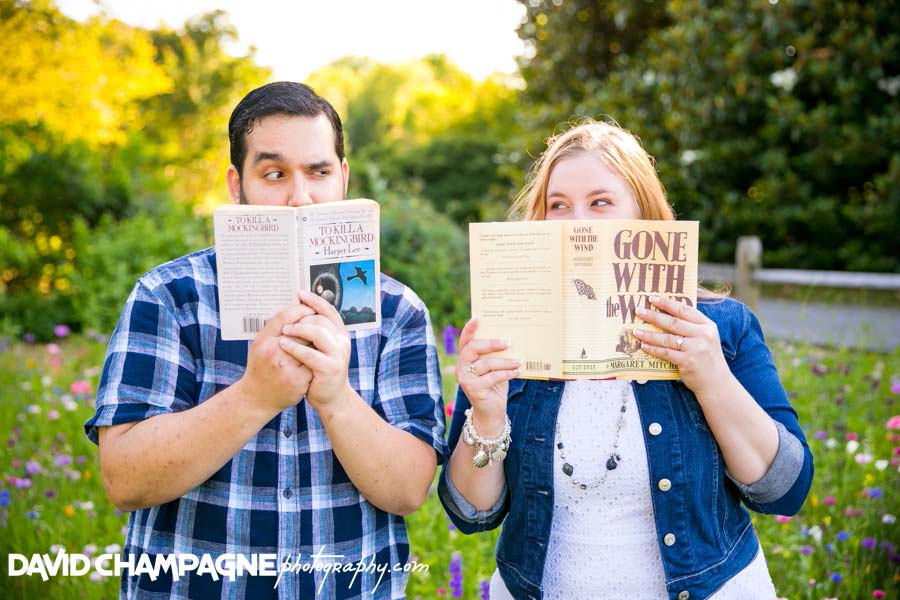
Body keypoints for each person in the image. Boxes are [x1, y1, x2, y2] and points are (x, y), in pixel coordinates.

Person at [85, 82, 448, 599]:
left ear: (343, 178)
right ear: (237, 185)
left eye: (319, 172)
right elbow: (125, 480)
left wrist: (336, 398)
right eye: (274, 173)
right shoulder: (168, 295)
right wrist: (254, 395)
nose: (301, 197)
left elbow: (409, 490)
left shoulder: (397, 310)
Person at [439, 120, 813, 600]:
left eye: (600, 202)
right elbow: (471, 513)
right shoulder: (512, 331)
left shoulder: (722, 326)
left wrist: (712, 378)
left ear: (643, 213)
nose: (577, 222)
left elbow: (786, 489)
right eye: (559, 206)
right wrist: (487, 416)